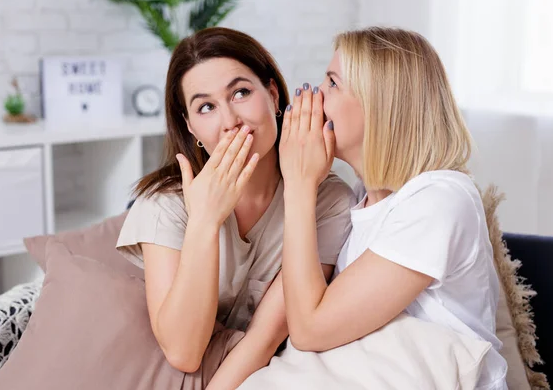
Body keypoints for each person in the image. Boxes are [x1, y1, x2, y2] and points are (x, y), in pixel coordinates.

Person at [116, 27, 354, 389]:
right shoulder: (165, 203)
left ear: (273, 95)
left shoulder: (327, 199)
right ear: (190, 125)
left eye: (240, 93)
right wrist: (205, 221)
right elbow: (183, 351)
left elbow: (268, 335)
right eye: (206, 107)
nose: (230, 122)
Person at [278, 27, 508, 390]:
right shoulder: (359, 199)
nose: (317, 96)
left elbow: (309, 329)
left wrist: (298, 184)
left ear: (380, 106)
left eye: (333, 83)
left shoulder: (441, 199)